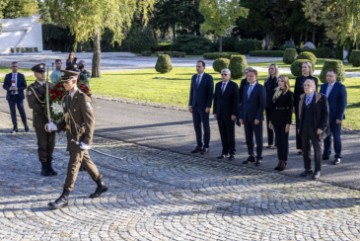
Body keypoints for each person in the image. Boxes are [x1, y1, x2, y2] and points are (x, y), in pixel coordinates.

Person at [48, 70, 108, 210]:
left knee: (73, 166)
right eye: (63, 82)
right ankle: (100, 184)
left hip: (80, 139)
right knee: (86, 161)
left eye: (66, 82)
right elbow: (67, 118)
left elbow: (90, 122)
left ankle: (64, 196)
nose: (64, 85)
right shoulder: (66, 99)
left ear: (74, 81)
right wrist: (56, 127)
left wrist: (87, 141)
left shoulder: (82, 98)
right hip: (72, 138)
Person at [26, 63, 57, 176]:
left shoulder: (50, 86)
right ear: (35, 74)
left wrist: (54, 115)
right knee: (43, 144)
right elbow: (33, 104)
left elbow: (56, 101)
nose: (42, 74)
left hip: (52, 120)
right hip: (40, 120)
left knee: (51, 144)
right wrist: (46, 113)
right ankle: (44, 167)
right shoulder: (32, 88)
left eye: (43, 72)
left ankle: (50, 166)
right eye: (40, 72)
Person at [298, 79, 328, 180]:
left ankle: (317, 170)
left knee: (317, 150)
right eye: (305, 85)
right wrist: (300, 128)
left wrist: (321, 127)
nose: (306, 87)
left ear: (314, 87)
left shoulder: (321, 98)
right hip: (304, 128)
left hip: (316, 128)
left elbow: (326, 114)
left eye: (308, 85)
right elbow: (300, 114)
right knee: (305, 150)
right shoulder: (302, 97)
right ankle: (307, 169)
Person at [320, 70, 347, 165]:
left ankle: (338, 156)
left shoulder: (340, 87)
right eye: (327, 76)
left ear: (335, 77)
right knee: (326, 137)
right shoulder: (323, 86)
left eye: (331, 76)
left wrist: (339, 117)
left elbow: (343, 104)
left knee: (336, 138)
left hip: (336, 117)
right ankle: (326, 153)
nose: (329, 78)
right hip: (325, 117)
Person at [240, 68, 266, 166]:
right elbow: (243, 103)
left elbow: (262, 104)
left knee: (258, 138)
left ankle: (259, 157)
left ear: (256, 77)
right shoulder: (246, 87)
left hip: (256, 118)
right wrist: (241, 116)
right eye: (248, 76)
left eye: (251, 76)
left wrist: (258, 117)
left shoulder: (260, 88)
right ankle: (251, 155)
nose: (249, 77)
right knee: (248, 138)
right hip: (246, 117)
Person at [188, 60, 214, 154]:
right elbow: (192, 91)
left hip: (204, 107)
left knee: (205, 126)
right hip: (195, 106)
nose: (197, 68)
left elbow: (210, 93)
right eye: (196, 66)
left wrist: (208, 105)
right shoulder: (194, 77)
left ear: (204, 67)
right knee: (197, 126)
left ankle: (206, 146)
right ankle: (199, 145)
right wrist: (190, 104)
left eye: (199, 66)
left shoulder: (208, 78)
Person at [269, 75, 293, 171]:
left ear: (286, 82)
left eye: (282, 81)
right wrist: (270, 120)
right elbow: (272, 107)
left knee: (284, 141)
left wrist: (288, 123)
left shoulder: (289, 94)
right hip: (276, 118)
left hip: (284, 118)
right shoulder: (276, 92)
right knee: (278, 141)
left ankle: (284, 160)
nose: (279, 83)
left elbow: (290, 109)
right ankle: (279, 160)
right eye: (278, 81)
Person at [213, 68, 238, 160]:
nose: (223, 76)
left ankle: (232, 152)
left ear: (229, 76)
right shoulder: (218, 85)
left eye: (225, 74)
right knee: (222, 133)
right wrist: (215, 111)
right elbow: (215, 99)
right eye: (222, 74)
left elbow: (236, 101)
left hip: (229, 114)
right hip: (220, 113)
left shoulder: (233, 85)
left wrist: (234, 113)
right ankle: (224, 151)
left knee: (230, 134)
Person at [293, 62, 318, 155]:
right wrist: (293, 106)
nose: (303, 69)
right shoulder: (298, 79)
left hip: (309, 106)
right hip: (299, 106)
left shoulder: (314, 79)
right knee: (299, 126)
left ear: (310, 68)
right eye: (302, 67)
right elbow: (295, 94)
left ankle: (308, 146)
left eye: (305, 67)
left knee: (308, 126)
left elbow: (316, 94)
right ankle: (301, 147)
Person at [2, 61, 29, 133]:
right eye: (13, 66)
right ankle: (15, 127)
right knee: (13, 112)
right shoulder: (8, 76)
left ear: (18, 67)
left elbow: (24, 86)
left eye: (16, 66)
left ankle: (26, 126)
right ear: (11, 67)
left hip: (19, 96)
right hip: (11, 97)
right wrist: (8, 88)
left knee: (22, 111)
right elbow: (4, 85)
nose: (14, 68)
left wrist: (18, 89)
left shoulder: (21, 76)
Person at [264, 63, 279, 149]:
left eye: (272, 68)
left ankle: (277, 143)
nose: (271, 70)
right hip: (268, 105)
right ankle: (270, 142)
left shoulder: (278, 80)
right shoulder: (267, 80)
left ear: (276, 70)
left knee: (276, 124)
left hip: (276, 105)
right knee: (268, 124)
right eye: (270, 69)